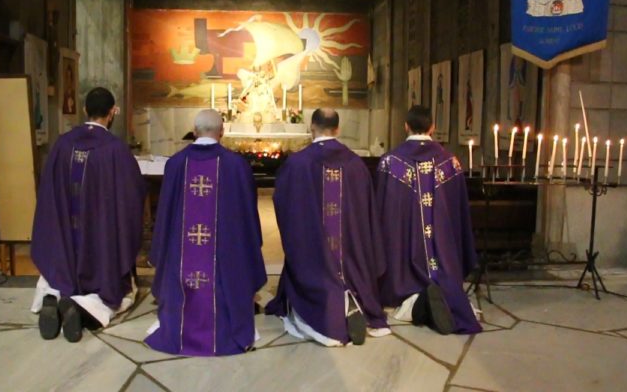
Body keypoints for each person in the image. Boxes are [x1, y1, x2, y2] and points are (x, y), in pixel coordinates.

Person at [266, 108, 390, 346]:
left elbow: (283, 204)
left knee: (310, 269)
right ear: (338, 129)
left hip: (314, 260)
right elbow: (367, 212)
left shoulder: (297, 164)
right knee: (349, 271)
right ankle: (350, 301)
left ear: (311, 127)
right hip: (351, 262)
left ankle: (332, 311)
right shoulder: (356, 165)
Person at [146, 110, 266, 356]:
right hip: (225, 268)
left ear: (194, 131)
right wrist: (251, 249)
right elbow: (247, 216)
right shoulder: (237, 165)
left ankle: (180, 322)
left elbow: (164, 215)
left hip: (180, 266)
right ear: (222, 131)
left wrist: (159, 251)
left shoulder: (175, 164)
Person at [30, 87, 146, 342]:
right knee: (120, 294)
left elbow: (48, 190)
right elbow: (132, 194)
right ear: (112, 113)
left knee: (56, 273)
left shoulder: (62, 144)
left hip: (66, 240)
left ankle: (53, 296)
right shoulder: (115, 150)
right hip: (99, 242)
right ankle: (82, 308)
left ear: (84, 110)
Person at [376, 105, 481, 335]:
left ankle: (419, 304)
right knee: (445, 283)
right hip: (442, 257)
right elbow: (459, 214)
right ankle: (439, 297)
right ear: (432, 127)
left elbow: (383, 217)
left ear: (405, 126)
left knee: (404, 298)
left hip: (405, 265)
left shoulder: (390, 162)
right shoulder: (451, 162)